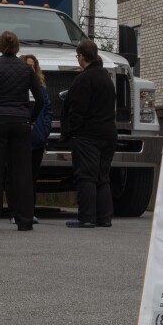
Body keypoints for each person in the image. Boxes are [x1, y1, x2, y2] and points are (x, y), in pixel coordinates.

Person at [0, 31, 43, 232]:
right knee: (21, 172)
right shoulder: (26, 69)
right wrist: (30, 119)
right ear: (17, 47)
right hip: (21, 121)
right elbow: (39, 99)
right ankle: (24, 220)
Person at [61, 40, 117, 228]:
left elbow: (77, 110)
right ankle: (105, 217)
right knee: (103, 177)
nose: (78, 59)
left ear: (82, 56)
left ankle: (86, 217)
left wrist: (71, 132)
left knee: (86, 176)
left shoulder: (84, 79)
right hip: (108, 134)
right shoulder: (107, 78)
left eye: (78, 56)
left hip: (87, 135)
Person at [7, 54, 52, 225]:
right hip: (19, 138)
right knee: (15, 176)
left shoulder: (41, 89)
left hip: (37, 140)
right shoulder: (16, 88)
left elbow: (48, 110)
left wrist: (45, 130)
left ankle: (29, 211)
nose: (31, 68)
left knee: (32, 177)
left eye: (34, 66)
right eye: (28, 65)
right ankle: (14, 212)